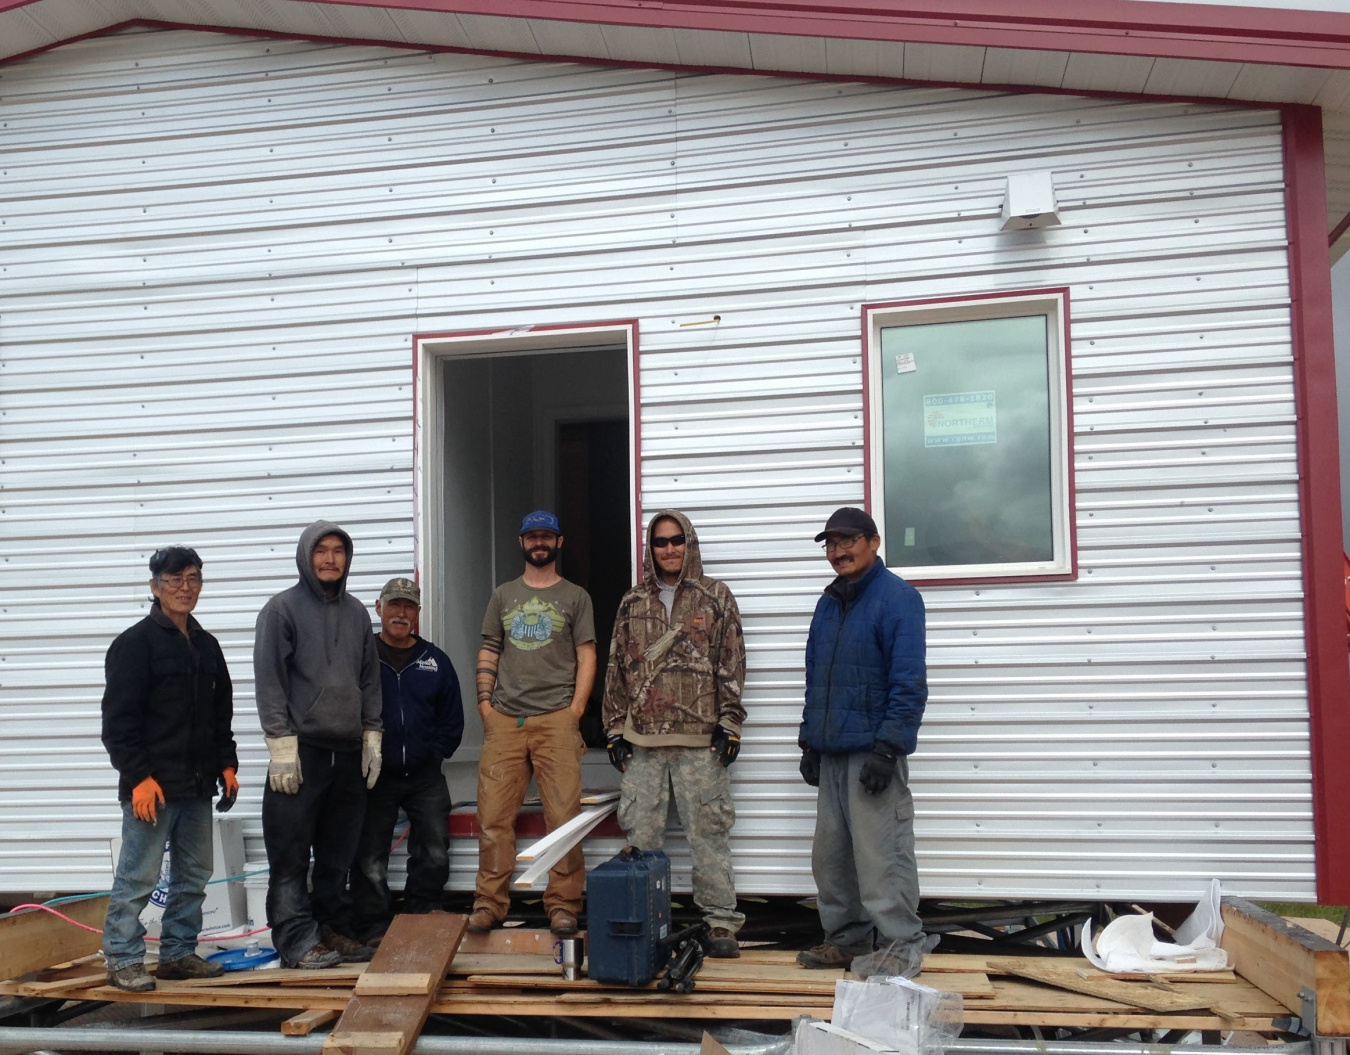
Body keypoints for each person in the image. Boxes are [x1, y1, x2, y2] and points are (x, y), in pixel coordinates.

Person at [602, 510, 747, 959]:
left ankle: (720, 922)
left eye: (677, 540)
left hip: (700, 744)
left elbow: (732, 660)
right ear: (650, 548)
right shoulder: (632, 601)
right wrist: (613, 729)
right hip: (643, 743)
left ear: (690, 542)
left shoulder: (715, 596)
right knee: (641, 839)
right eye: (660, 541)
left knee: (709, 833)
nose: (669, 549)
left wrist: (729, 723)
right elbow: (617, 668)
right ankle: (643, 923)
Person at [100, 547, 238, 992]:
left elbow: (220, 716)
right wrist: (138, 777)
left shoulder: (206, 645)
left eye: (193, 578)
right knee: (138, 876)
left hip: (196, 787)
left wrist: (227, 764)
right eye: (174, 579)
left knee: (195, 874)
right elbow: (118, 724)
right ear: (155, 587)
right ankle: (122, 957)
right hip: (152, 789)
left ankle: (179, 953)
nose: (185, 587)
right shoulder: (134, 645)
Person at [796, 507, 928, 970]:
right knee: (831, 860)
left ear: (873, 542)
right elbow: (817, 677)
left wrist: (889, 749)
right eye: (830, 545)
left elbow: (908, 681)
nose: (837, 552)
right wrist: (809, 741)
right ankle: (847, 940)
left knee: (881, 857)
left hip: (873, 754)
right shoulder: (828, 603)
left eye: (847, 541)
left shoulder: (898, 599)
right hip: (831, 753)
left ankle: (901, 947)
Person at [254, 521, 383, 968]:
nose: (330, 559)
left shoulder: (357, 614)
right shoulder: (281, 611)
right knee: (289, 856)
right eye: (321, 551)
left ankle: (333, 930)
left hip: (346, 754)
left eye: (338, 551)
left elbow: (369, 679)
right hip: (301, 754)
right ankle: (295, 940)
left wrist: (372, 734)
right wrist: (281, 747)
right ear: (306, 556)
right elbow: (269, 681)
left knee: (337, 856)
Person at [470, 510, 596, 936]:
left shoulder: (576, 596)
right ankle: (489, 903)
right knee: (493, 818)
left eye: (547, 536)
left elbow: (587, 655)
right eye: (532, 536)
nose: (539, 542)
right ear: (520, 542)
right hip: (505, 719)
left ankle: (563, 904)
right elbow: (489, 647)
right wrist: (486, 706)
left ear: (559, 542)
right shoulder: (503, 595)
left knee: (564, 816)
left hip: (556, 719)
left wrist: (575, 712)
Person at [350, 578, 464, 942]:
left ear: (417, 612)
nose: (401, 613)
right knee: (369, 856)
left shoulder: (435, 660)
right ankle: (372, 925)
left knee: (434, 849)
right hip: (374, 774)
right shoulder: (362, 656)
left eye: (409, 606)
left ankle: (422, 911)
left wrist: (434, 754)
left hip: (424, 775)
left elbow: (452, 720)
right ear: (379, 607)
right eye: (394, 605)